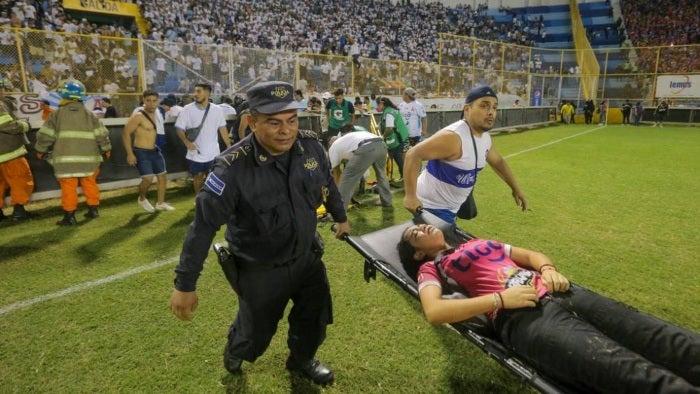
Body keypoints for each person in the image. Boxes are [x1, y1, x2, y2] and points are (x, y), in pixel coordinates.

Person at [168, 81, 351, 386]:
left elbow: (327, 185)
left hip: (307, 258)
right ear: (251, 122)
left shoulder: (311, 147)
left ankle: (302, 359)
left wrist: (341, 217)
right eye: (274, 122)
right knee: (255, 336)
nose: (286, 131)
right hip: (260, 270)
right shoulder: (231, 169)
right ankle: (236, 347)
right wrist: (185, 285)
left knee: (314, 320)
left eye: (291, 121)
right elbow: (202, 227)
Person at [397, 224, 700, 393]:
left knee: (664, 338)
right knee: (629, 371)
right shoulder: (432, 268)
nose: (419, 226)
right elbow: (434, 312)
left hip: (563, 291)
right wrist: (500, 300)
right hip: (522, 317)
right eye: (414, 234)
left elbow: (531, 255)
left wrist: (549, 267)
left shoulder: (477, 242)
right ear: (418, 253)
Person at [403, 85, 527, 225]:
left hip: (450, 208)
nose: (491, 112)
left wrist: (516, 188)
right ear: (467, 109)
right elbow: (413, 154)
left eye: (494, 107)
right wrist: (410, 196)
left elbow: (498, 162)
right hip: (432, 208)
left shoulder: (485, 137)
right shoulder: (454, 138)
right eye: (484, 106)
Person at [35, 80, 112, 225]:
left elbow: (45, 136)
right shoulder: (90, 115)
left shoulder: (56, 115)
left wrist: (40, 150)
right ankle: (93, 209)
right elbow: (102, 135)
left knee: (68, 187)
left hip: (65, 162)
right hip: (89, 161)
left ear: (64, 96)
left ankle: (69, 216)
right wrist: (106, 149)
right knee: (90, 183)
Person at [122, 90, 175, 213]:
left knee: (162, 177)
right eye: (148, 101)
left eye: (154, 101)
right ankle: (142, 198)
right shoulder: (138, 115)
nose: (151, 104)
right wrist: (130, 153)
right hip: (141, 151)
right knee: (148, 179)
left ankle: (160, 203)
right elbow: (126, 133)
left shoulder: (158, 114)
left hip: (155, 150)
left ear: (158, 101)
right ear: (144, 101)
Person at [175, 83, 231, 194]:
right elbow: (179, 129)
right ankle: (198, 198)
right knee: (198, 176)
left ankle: (212, 199)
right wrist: (186, 142)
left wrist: (229, 147)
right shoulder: (187, 109)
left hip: (213, 152)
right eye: (195, 91)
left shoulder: (217, 110)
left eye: (199, 91)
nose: (195, 94)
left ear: (208, 93)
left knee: (214, 177)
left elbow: (223, 130)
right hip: (195, 153)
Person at [328, 128, 392, 209]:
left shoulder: (333, 148)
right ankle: (387, 202)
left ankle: (340, 211)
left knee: (347, 177)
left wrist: (337, 192)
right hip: (381, 143)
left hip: (366, 146)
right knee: (381, 174)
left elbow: (337, 173)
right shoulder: (347, 140)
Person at [0, 75, 34, 221]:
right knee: (21, 180)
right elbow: (6, 125)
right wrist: (25, 125)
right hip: (9, 152)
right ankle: (19, 211)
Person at [378, 96, 409, 182]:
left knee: (394, 157)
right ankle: (404, 176)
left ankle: (396, 177)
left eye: (378, 105)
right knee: (398, 157)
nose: (377, 107)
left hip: (397, 137)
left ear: (382, 104)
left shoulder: (388, 113)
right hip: (402, 135)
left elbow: (389, 128)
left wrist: (382, 137)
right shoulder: (391, 110)